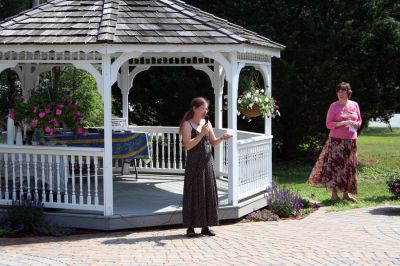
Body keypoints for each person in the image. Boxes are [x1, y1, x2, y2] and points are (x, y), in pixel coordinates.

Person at [179, 97, 232, 237]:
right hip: (194, 163)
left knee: (206, 193)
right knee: (193, 193)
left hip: (207, 163)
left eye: (206, 108)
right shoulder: (187, 124)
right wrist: (202, 133)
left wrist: (222, 138)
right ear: (195, 108)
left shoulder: (207, 123)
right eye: (203, 108)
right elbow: (188, 145)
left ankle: (205, 226)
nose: (205, 111)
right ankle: (190, 227)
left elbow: (213, 142)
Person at [308, 82, 362, 202]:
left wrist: (355, 124)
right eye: (339, 91)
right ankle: (334, 194)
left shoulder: (355, 105)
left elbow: (359, 120)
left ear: (349, 93)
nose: (341, 94)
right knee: (335, 167)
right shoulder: (334, 106)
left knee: (349, 167)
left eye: (344, 91)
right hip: (336, 141)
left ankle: (346, 194)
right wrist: (343, 123)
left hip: (351, 141)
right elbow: (328, 124)